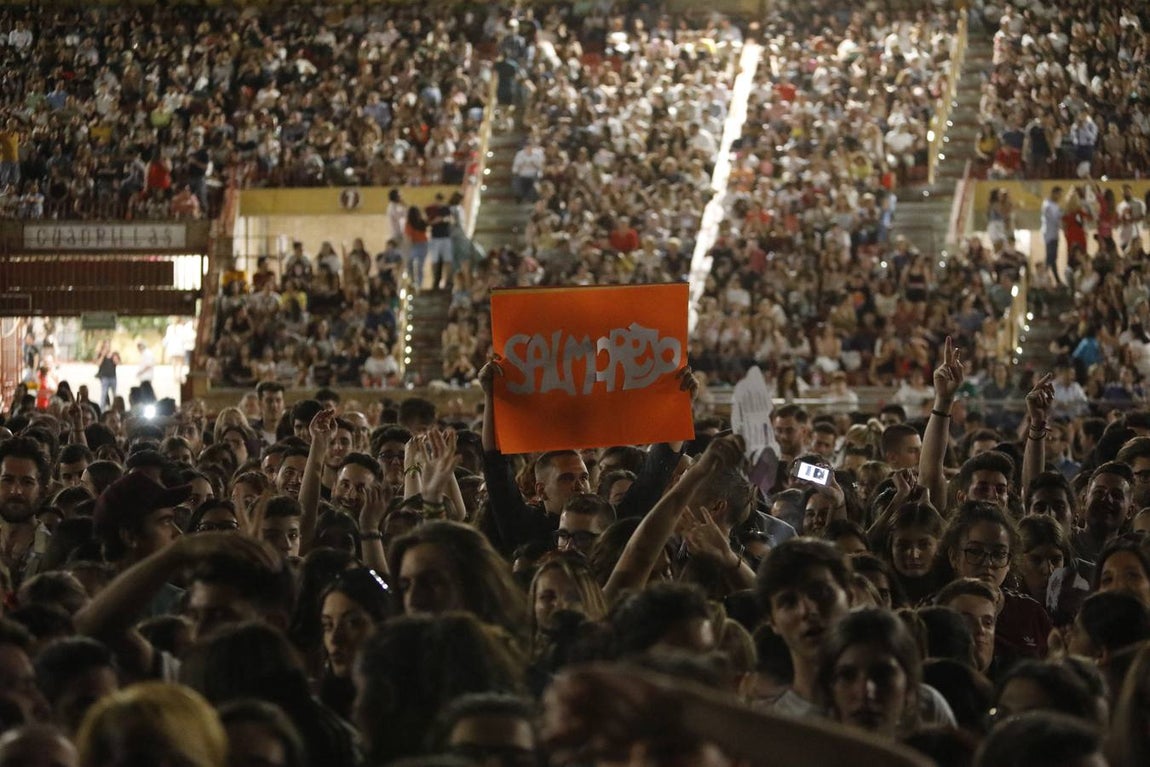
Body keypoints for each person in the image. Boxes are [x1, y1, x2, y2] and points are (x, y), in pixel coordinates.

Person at [93, 341, 119, 410]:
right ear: (103, 347)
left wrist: (114, 358)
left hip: (113, 377)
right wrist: (103, 355)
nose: (107, 348)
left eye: (108, 346)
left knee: (114, 394)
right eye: (106, 346)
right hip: (104, 377)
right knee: (104, 394)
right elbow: (98, 364)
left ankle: (116, 408)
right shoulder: (100, 354)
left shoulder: (114, 354)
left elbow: (117, 363)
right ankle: (102, 409)